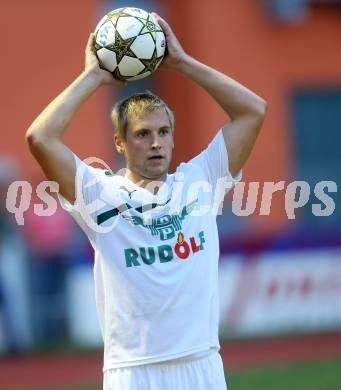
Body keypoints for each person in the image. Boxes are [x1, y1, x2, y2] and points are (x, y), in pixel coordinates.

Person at [26, 13, 266, 390]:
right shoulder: (98, 194)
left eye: (163, 132)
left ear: (172, 137)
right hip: (133, 371)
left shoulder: (200, 180)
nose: (156, 142)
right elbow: (40, 137)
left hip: (201, 363)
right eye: (142, 134)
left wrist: (182, 63)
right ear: (119, 143)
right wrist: (94, 75)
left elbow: (254, 110)